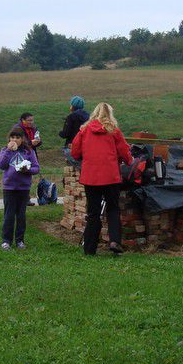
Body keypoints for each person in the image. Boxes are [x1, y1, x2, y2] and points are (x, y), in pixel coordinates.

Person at [70, 102, 132, 256]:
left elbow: (75, 153)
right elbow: (125, 152)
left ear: (94, 113)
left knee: (93, 212)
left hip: (91, 177)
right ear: (110, 114)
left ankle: (90, 248)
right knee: (113, 209)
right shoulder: (114, 131)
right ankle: (114, 241)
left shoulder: (84, 130)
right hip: (110, 176)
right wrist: (129, 161)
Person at [0, 128, 40, 250]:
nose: (14, 140)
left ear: (22, 139)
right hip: (9, 187)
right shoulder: (5, 150)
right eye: (12, 137)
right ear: (9, 139)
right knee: (9, 215)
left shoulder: (28, 152)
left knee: (21, 215)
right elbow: (2, 165)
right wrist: (8, 151)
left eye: (17, 138)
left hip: (23, 187)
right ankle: (6, 241)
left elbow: (36, 168)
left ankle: (20, 240)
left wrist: (28, 170)